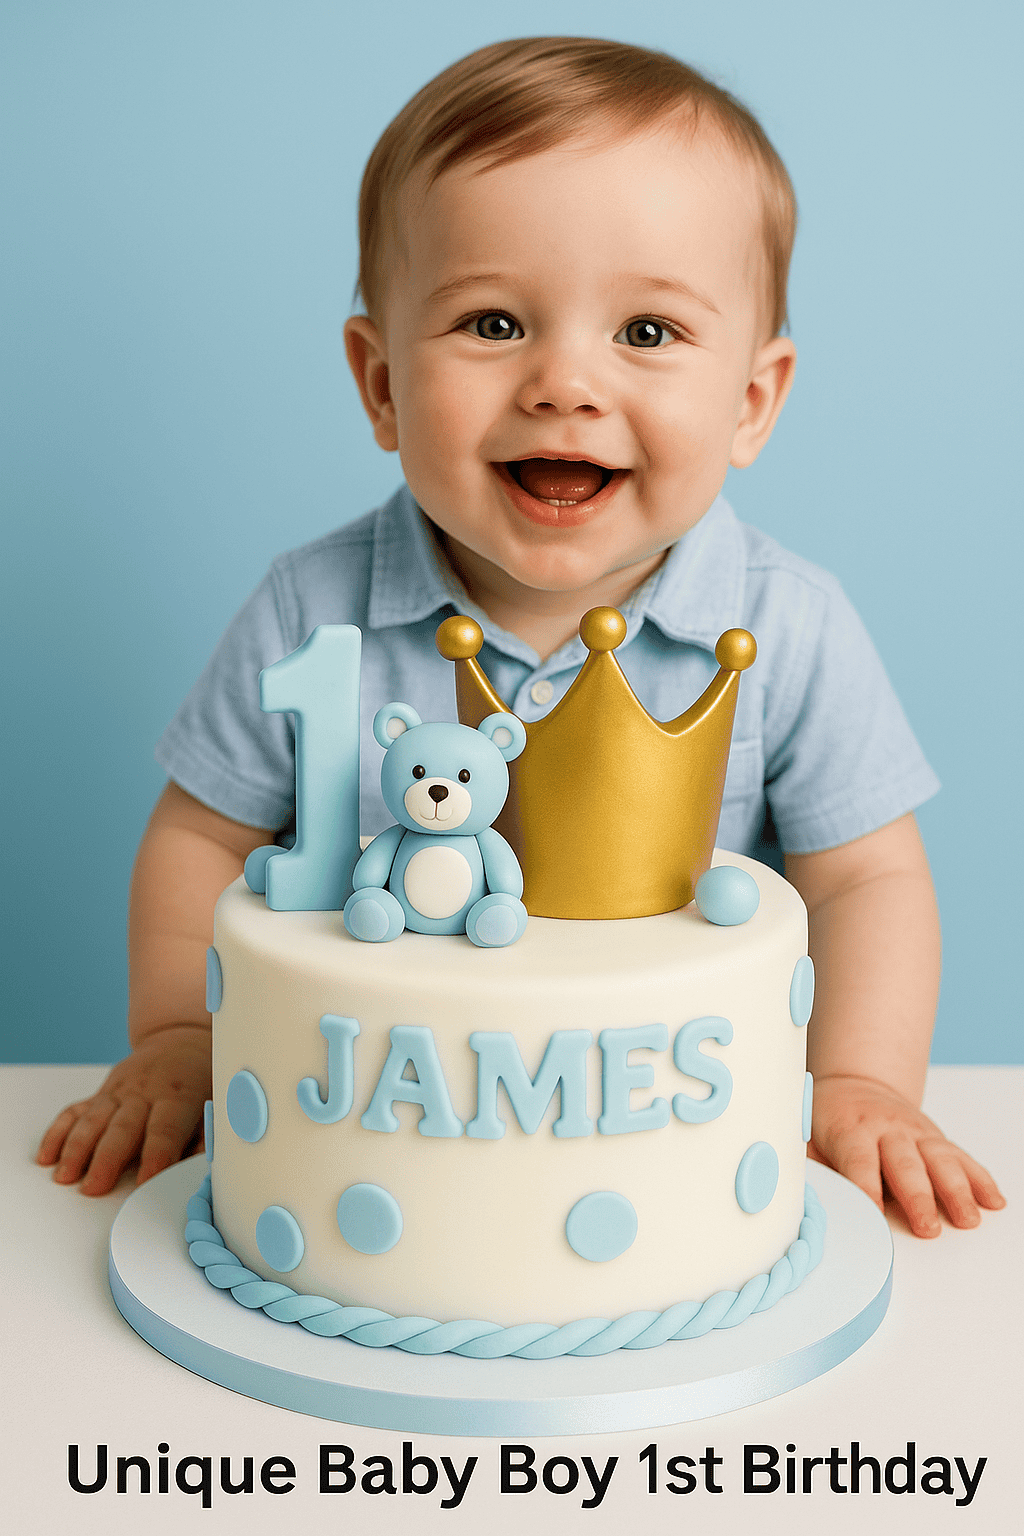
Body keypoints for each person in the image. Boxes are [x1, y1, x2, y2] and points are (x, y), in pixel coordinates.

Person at [37, 37, 1003, 1238]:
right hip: (378, 1168)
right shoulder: (310, 611)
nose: (563, 383)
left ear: (751, 402)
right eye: (493, 323)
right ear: (381, 384)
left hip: (675, 1177)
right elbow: (198, 836)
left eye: (646, 333)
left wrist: (860, 1079)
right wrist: (180, 1035)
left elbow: (866, 878)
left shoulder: (786, 624)